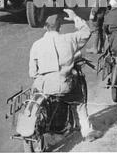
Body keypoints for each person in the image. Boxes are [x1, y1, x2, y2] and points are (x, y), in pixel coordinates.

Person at [29, 9, 102, 142]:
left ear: (46, 27)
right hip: (63, 84)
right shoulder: (69, 39)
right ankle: (87, 131)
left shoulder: (36, 45)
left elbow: (32, 73)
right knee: (79, 101)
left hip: (42, 86)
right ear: (60, 27)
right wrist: (75, 17)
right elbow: (86, 32)